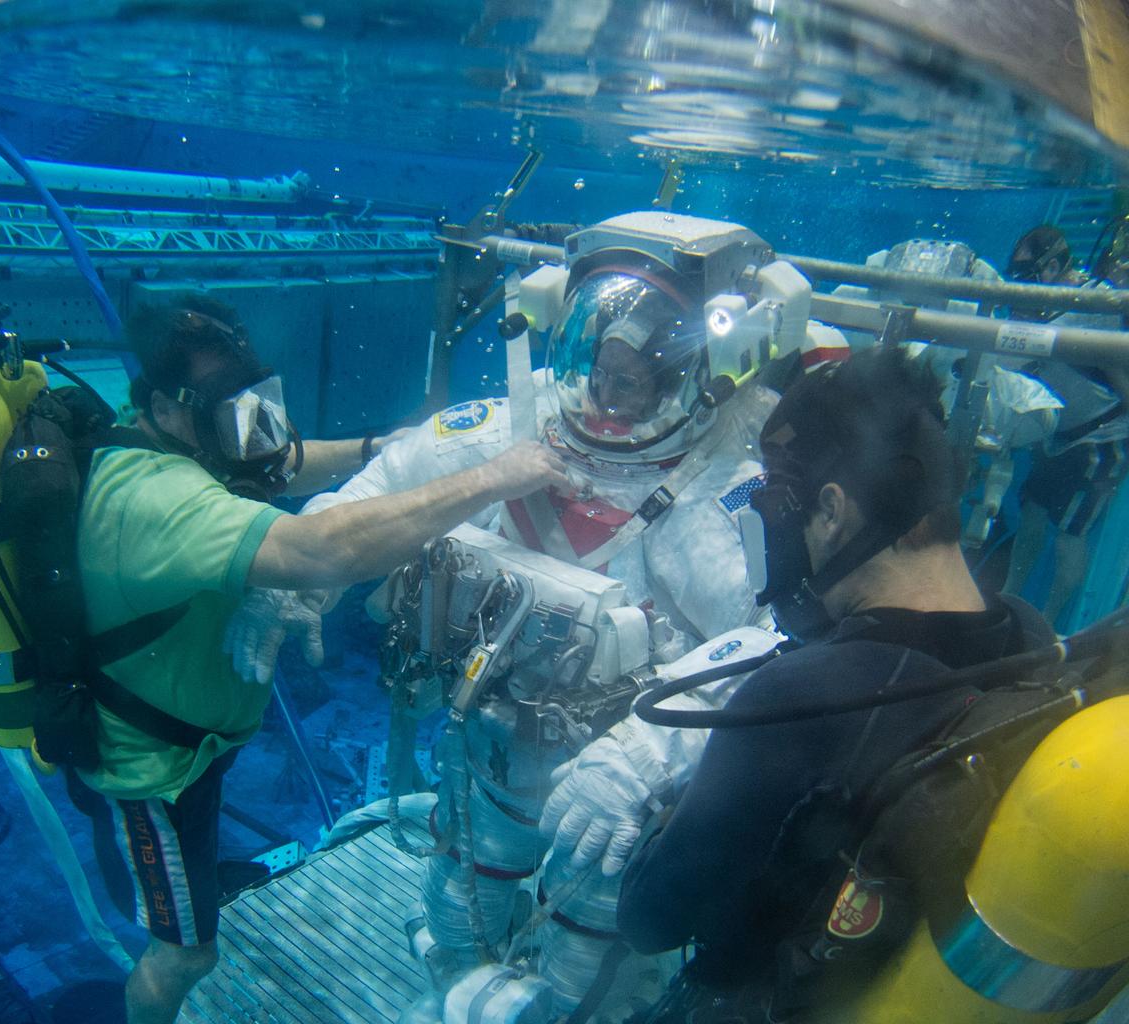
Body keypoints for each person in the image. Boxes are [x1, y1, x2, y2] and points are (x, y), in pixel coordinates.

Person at [261, 212, 847, 1016]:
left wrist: (644, 757)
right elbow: (388, 485)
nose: (605, 402)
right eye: (597, 371)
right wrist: (302, 576)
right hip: (486, 759)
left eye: (633, 382)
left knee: (583, 973)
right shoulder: (513, 429)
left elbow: (784, 642)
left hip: (613, 805)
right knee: (458, 918)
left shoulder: (724, 494)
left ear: (700, 376)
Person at [71, 295, 567, 1024]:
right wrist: (494, 476)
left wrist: (385, 453)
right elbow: (318, 550)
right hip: (149, 768)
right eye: (226, 409)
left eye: (254, 401)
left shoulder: (178, 436)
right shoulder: (151, 498)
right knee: (183, 953)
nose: (252, 428)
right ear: (167, 410)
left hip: (195, 742)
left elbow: (278, 464)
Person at [616, 346, 1055, 1021]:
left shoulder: (803, 698)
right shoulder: (1033, 641)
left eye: (775, 503)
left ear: (829, 511)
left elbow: (651, 920)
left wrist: (661, 816)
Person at [998, 227, 1129, 624]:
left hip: (1100, 441)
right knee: (1033, 518)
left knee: (1070, 534)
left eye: (1027, 276)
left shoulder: (1093, 306)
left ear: (1053, 267)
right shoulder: (1057, 308)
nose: (1021, 290)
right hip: (1058, 436)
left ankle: (1052, 624)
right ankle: (1009, 603)